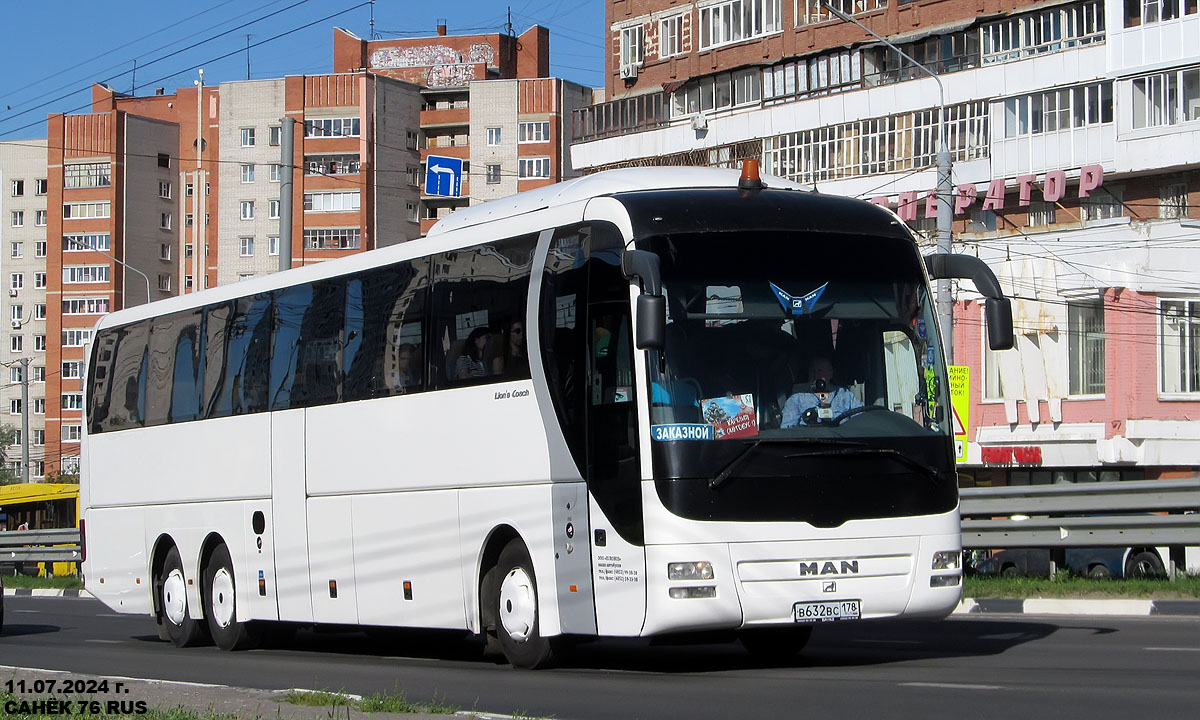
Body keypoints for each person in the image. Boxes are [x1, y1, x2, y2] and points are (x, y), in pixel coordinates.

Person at [781, 355, 861, 427]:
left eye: (819, 371)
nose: (815, 375)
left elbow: (861, 420)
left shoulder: (845, 396)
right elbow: (787, 430)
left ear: (830, 373)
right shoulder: (797, 399)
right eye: (812, 371)